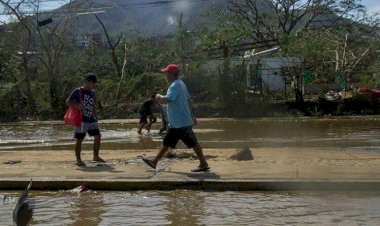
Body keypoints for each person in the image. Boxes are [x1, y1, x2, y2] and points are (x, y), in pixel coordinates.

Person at [142, 64, 209, 172]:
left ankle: (203, 163)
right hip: (179, 122)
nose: (165, 76)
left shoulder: (174, 86)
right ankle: (154, 162)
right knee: (166, 143)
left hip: (180, 123)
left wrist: (158, 96)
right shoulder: (181, 84)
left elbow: (167, 100)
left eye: (166, 73)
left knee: (193, 143)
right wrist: (193, 116)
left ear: (171, 74)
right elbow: (188, 101)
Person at [66, 74, 105, 166]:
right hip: (81, 119)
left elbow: (93, 104)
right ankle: (78, 160)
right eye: (93, 83)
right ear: (88, 82)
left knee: (98, 136)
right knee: (79, 139)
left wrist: (96, 116)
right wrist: (78, 107)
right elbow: (68, 102)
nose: (94, 85)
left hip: (91, 119)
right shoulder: (78, 91)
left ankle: (96, 156)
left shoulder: (93, 92)